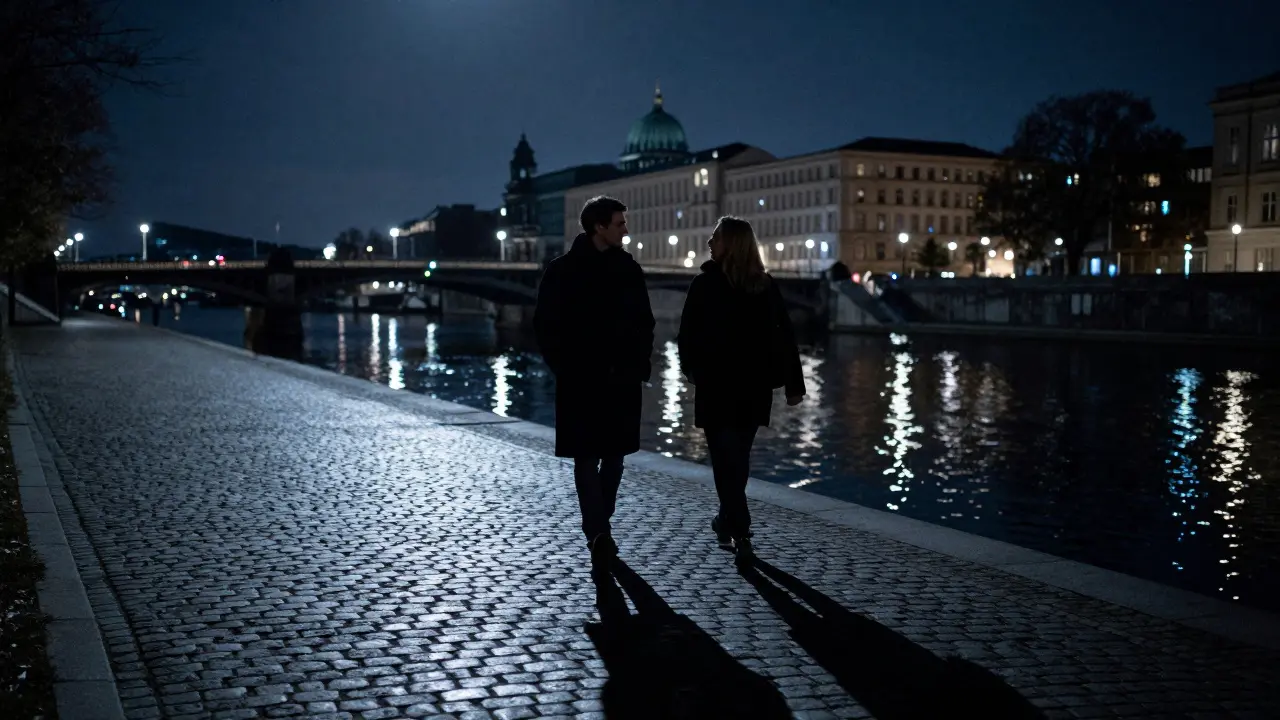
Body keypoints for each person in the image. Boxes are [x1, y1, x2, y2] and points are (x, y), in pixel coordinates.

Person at [534, 195, 656, 569]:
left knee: (614, 460)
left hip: (620, 380)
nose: (626, 229)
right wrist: (566, 368)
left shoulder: (628, 269)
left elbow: (646, 323)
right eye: (620, 223)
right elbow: (545, 327)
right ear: (598, 227)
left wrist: (638, 363)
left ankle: (599, 524)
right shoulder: (561, 270)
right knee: (587, 459)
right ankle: (598, 532)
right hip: (582, 381)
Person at [677, 216, 805, 566]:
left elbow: (687, 337)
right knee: (736, 458)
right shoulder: (762, 285)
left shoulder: (705, 284)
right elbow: (784, 336)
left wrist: (694, 371)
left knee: (727, 459)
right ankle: (734, 524)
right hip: (750, 386)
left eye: (714, 237)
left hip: (720, 386)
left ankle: (735, 524)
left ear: (730, 243)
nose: (708, 242)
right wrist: (793, 383)